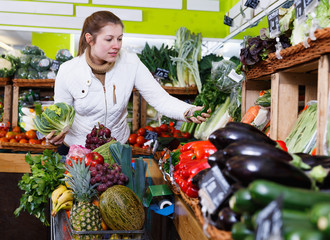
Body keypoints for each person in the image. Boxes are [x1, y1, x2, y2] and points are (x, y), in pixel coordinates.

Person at [47, 11, 209, 153]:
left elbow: (159, 98)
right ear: (90, 39)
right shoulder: (68, 70)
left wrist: (187, 111)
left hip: (116, 149)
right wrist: (56, 133)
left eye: (119, 39)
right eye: (109, 39)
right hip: (77, 149)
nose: (116, 45)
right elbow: (62, 115)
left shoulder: (130, 62)